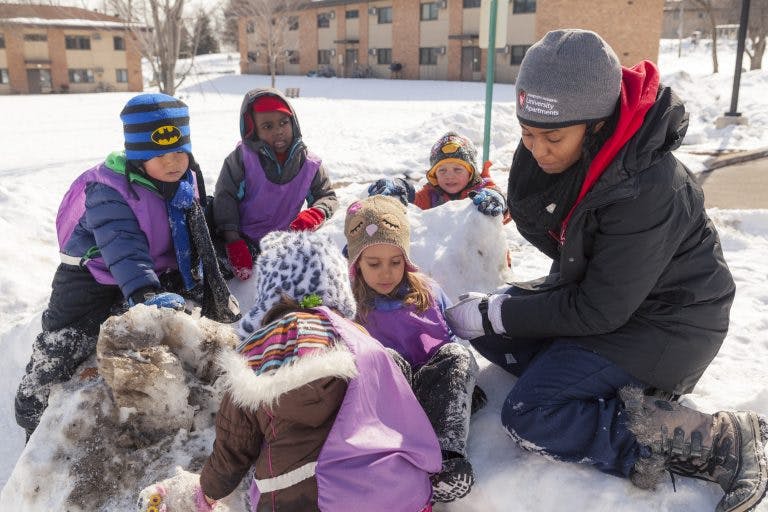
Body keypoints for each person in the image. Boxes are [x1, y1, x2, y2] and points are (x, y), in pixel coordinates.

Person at [444, 29, 767, 512]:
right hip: (615, 302)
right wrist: (499, 315)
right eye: (527, 133)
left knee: (532, 411)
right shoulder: (575, 151)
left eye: (553, 137)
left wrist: (503, 313)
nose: (537, 150)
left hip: (672, 322)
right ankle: (599, 384)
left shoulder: (649, 186)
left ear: (597, 125)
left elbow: (598, 308)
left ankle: (718, 441)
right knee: (492, 335)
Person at [15, 93, 237, 441]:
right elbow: (123, 246)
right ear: (138, 155)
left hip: (154, 270)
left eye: (180, 151)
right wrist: (144, 293)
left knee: (178, 325)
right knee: (64, 341)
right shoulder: (108, 189)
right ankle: (34, 410)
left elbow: (196, 224)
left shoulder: (186, 180)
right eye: (160, 154)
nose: (173, 161)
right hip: (92, 274)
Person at [197, 230, 441, 512]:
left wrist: (208, 491)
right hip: (394, 492)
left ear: (269, 292)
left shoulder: (257, 352)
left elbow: (233, 448)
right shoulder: (360, 340)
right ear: (336, 286)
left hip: (297, 497)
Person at [343, 195, 483, 503]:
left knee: (458, 356)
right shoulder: (352, 306)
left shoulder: (427, 292)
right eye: (374, 264)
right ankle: (393, 458)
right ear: (356, 264)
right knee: (383, 358)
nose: (386, 273)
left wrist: (464, 381)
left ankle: (446, 460)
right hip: (391, 400)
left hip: (437, 393)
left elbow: (454, 340)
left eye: (395, 262)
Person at [212, 88, 338, 281]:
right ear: (253, 130)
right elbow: (224, 197)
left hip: (284, 240)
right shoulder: (241, 159)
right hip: (243, 238)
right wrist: (233, 241)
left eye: (283, 123)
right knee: (218, 268)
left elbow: (326, 195)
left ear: (293, 123)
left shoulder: (308, 164)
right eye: (267, 126)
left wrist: (315, 213)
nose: (278, 131)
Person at [367, 131, 507, 217]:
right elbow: (413, 199)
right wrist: (399, 185)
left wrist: (497, 199)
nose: (449, 176)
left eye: (457, 169)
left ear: (471, 173)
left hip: (483, 261)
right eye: (442, 170)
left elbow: (504, 210)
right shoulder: (432, 195)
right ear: (434, 175)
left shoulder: (482, 190)